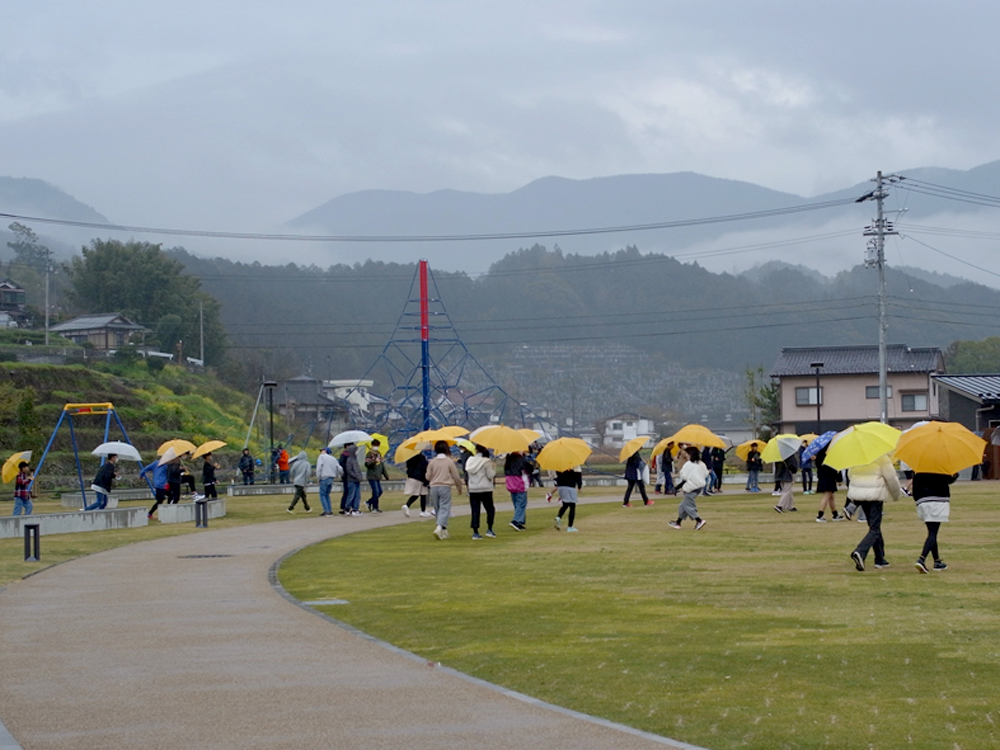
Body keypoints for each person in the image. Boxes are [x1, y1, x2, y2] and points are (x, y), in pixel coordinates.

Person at [848, 453, 902, 571]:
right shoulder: (882, 458)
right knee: (874, 528)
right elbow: (891, 478)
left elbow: (850, 475)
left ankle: (880, 558)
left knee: (874, 527)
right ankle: (860, 552)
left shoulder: (856, 457)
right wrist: (896, 495)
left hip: (861, 495)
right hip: (875, 495)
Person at [912, 471, 955, 573]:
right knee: (933, 532)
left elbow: (915, 489)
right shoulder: (940, 469)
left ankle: (937, 561)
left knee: (931, 531)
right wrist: (955, 475)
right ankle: (922, 559)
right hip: (937, 501)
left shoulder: (919, 471)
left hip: (922, 501)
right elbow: (948, 480)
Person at [426, 441, 464, 540]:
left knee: (438, 508)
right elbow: (456, 476)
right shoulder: (449, 461)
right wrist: (459, 487)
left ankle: (443, 530)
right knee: (445, 507)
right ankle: (439, 527)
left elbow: (428, 476)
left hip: (434, 487)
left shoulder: (432, 462)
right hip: (445, 486)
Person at [668, 446, 709, 530]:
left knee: (688, 505)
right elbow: (705, 474)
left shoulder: (689, 464)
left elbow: (684, 476)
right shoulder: (701, 464)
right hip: (699, 486)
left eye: (687, 453)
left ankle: (699, 520)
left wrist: (677, 487)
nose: (686, 455)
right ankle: (678, 522)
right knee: (683, 506)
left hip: (691, 487)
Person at [465, 444, 497, 539]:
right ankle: (489, 529)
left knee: (475, 510)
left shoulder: (470, 461)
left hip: (473, 488)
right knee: (490, 509)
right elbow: (490, 475)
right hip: (485, 488)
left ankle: (475, 531)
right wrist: (493, 468)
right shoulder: (486, 462)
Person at [814, 446, 843, 522]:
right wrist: (839, 479)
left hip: (822, 476)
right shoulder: (831, 454)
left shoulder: (820, 453)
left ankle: (835, 514)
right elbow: (836, 467)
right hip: (829, 477)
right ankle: (820, 515)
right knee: (826, 496)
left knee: (831, 497)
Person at [504, 451, 531, 530]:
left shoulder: (508, 460)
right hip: (520, 483)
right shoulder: (521, 460)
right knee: (521, 503)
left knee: (516, 503)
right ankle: (516, 520)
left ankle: (520, 521)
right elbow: (529, 469)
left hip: (511, 483)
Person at [553, 466, 583, 532]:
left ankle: (558, 517)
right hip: (570, 487)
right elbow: (578, 477)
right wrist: (579, 487)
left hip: (561, 487)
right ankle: (570, 526)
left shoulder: (560, 467)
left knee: (565, 504)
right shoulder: (574, 466)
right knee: (572, 506)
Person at [401, 451, 430, 517]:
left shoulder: (409, 457)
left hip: (411, 476)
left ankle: (421, 510)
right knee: (422, 494)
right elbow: (424, 468)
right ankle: (421, 510)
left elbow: (408, 466)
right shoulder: (422, 457)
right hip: (420, 477)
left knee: (417, 494)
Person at [315, 447, 341, 516]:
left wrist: (318, 477)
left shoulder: (322, 457)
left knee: (322, 495)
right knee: (327, 495)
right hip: (331, 477)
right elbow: (339, 468)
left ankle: (327, 511)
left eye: (322, 450)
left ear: (325, 451)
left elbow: (319, 468)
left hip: (324, 477)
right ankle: (329, 510)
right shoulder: (333, 458)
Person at [364, 440, 388, 513]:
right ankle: (375, 507)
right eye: (375, 446)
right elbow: (367, 464)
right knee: (376, 492)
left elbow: (382, 466)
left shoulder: (378, 454)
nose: (376, 447)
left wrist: (385, 475)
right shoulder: (369, 454)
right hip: (372, 475)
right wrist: (374, 461)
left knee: (380, 491)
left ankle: (369, 502)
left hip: (378, 475)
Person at [340, 443, 363, 516]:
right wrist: (356, 476)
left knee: (357, 495)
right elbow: (349, 470)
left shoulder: (354, 459)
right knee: (351, 495)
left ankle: (355, 509)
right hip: (352, 480)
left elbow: (357, 469)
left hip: (356, 480)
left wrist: (359, 476)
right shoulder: (350, 460)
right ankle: (347, 508)